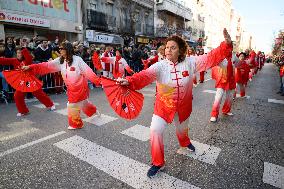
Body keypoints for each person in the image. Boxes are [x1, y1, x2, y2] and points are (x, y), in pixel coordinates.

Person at [117, 28, 232, 178]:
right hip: (163, 107)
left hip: (183, 107)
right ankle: (158, 162)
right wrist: (129, 81)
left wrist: (226, 44)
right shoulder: (160, 66)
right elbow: (144, 76)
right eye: (167, 47)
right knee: (155, 130)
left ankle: (184, 142)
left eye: (173, 47)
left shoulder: (191, 62)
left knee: (182, 130)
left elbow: (211, 57)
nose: (168, 50)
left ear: (181, 50)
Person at [22, 42, 101, 129]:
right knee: (83, 103)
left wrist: (99, 81)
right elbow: (46, 65)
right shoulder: (61, 60)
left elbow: (88, 71)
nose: (59, 50)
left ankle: (76, 124)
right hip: (70, 88)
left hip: (80, 87)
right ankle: (93, 111)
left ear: (67, 50)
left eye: (61, 49)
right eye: (59, 49)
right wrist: (30, 67)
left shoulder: (78, 60)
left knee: (72, 105)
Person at [0, 47, 55, 116]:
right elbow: (3, 60)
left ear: (23, 54)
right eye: (17, 53)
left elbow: (28, 57)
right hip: (22, 82)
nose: (18, 54)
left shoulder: (27, 60)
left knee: (38, 93)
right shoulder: (14, 60)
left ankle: (50, 104)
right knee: (17, 96)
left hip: (30, 81)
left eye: (20, 53)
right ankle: (23, 111)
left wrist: (23, 49)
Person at [209, 52, 237, 122]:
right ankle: (214, 115)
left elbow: (239, 64)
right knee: (218, 98)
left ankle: (226, 110)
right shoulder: (221, 56)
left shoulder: (234, 56)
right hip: (222, 79)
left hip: (231, 80)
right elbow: (214, 62)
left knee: (229, 97)